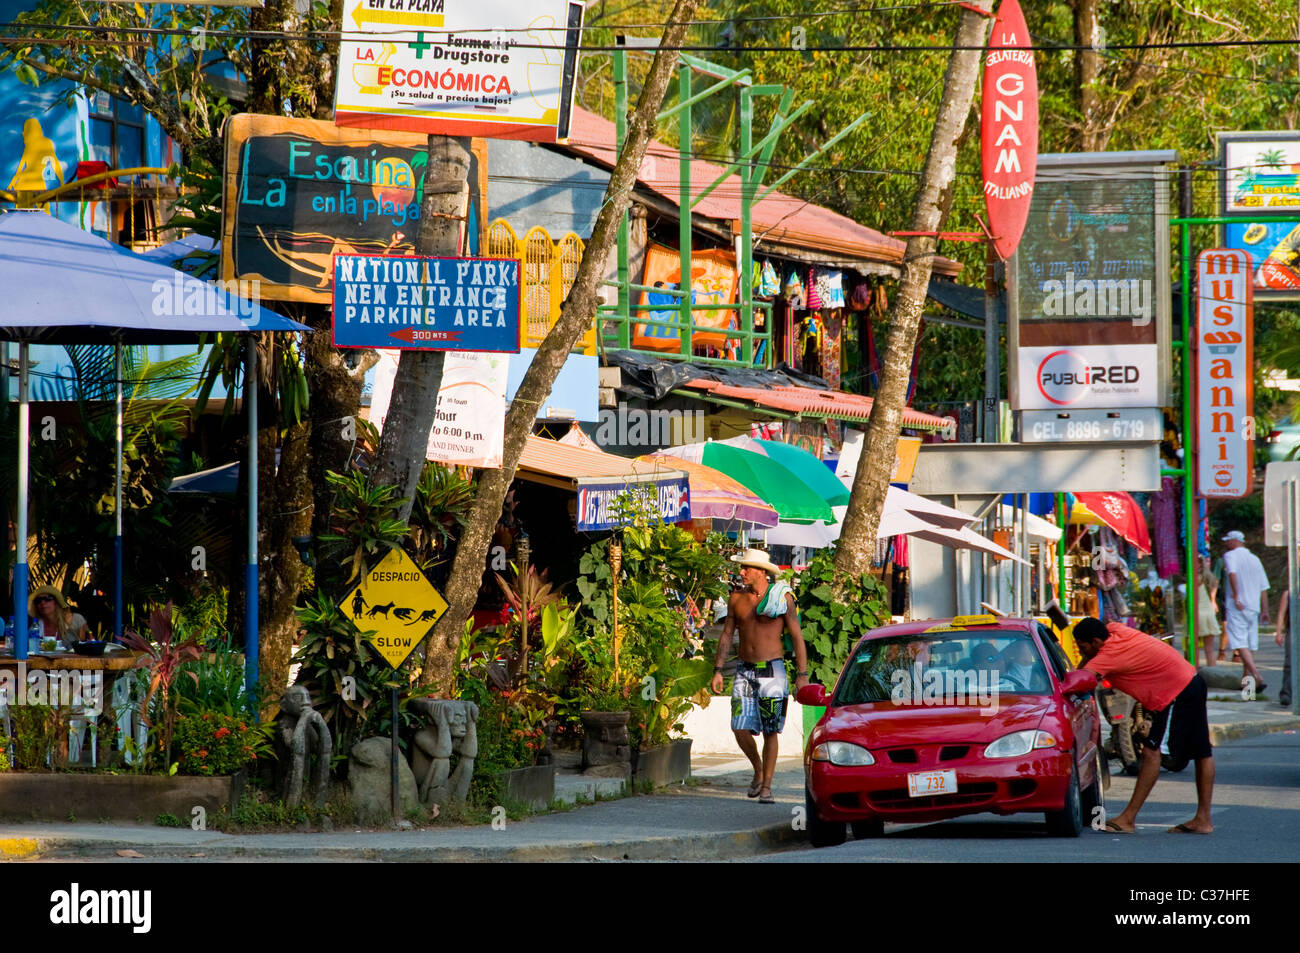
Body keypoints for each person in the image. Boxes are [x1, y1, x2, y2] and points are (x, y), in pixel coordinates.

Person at [1074, 617, 1214, 834]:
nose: (1082, 652)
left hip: (1175, 692)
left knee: (1151, 752)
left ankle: (1128, 819)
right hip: (1190, 680)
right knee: (1201, 752)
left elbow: (1079, 680)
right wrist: (1085, 659)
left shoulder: (1108, 656)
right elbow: (1086, 662)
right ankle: (1203, 820)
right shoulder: (1113, 630)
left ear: (1096, 641)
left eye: (1083, 647)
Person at [710, 548, 809, 805]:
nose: (741, 572)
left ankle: (766, 786)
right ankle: (757, 769)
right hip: (744, 669)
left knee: (770, 730)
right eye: (741, 568)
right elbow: (726, 635)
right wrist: (718, 670)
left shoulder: (781, 598)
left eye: (746, 568)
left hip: (772, 670)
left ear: (761, 572)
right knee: (739, 726)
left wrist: (802, 675)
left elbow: (797, 637)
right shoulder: (736, 599)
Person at [1221, 530, 1270, 692]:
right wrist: (1265, 609)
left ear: (1235, 541)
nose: (1226, 544)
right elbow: (1264, 587)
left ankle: (1257, 676)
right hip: (1253, 606)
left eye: (1228, 541)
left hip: (1238, 605)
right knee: (1249, 643)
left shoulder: (1230, 556)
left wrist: (1236, 596)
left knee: (1239, 642)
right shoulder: (1255, 559)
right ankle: (1246, 681)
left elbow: (1232, 574)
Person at [1195, 555, 1222, 670]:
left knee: (1193, 646)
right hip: (1209, 614)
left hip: (1198, 614)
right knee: (1209, 648)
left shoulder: (1195, 579)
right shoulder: (1211, 578)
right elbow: (1212, 598)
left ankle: (1194, 669)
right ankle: (1212, 669)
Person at [1277, 589, 1292, 709]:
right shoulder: (1288, 594)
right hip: (1293, 631)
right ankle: (1286, 693)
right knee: (1289, 662)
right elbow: (1281, 613)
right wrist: (1278, 632)